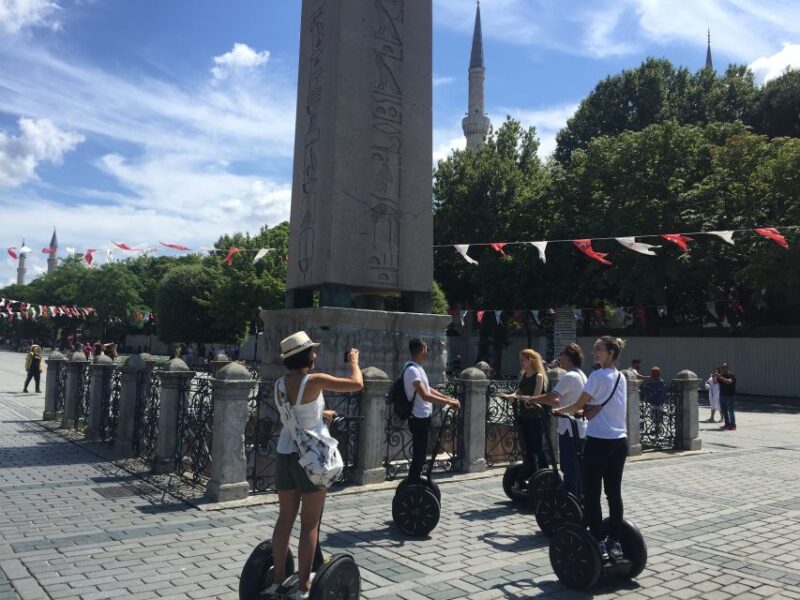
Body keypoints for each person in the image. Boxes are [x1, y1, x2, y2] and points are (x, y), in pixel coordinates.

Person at [270, 331, 364, 599]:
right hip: (310, 459)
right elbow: (356, 384)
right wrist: (354, 361)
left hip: (285, 453)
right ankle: (303, 586)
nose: (316, 354)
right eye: (312, 350)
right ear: (305, 355)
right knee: (310, 523)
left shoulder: (279, 384)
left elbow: (293, 416)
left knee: (284, 519)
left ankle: (277, 580)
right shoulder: (314, 380)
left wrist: (321, 414)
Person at [555, 336, 628, 562]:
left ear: (611, 354)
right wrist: (588, 408)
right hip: (619, 441)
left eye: (599, 350)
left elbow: (578, 404)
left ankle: (597, 539)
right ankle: (614, 540)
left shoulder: (597, 375)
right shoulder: (621, 377)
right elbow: (598, 404)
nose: (595, 353)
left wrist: (559, 410)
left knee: (593, 492)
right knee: (613, 493)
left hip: (598, 441)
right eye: (595, 349)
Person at [528, 343, 588, 497]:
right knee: (578, 466)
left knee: (569, 467)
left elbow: (552, 396)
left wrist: (532, 399)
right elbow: (558, 401)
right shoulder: (582, 375)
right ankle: (579, 497)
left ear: (568, 357)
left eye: (562, 354)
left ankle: (570, 500)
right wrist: (540, 401)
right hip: (580, 428)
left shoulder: (570, 376)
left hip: (570, 428)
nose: (559, 358)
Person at [404, 338, 460, 483]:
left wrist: (448, 398)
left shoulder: (418, 368)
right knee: (419, 454)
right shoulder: (411, 370)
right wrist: (448, 402)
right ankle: (412, 483)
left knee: (422, 454)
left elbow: (429, 390)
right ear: (421, 349)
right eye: (426, 349)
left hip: (423, 416)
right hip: (417, 417)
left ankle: (414, 481)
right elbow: (425, 395)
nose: (427, 352)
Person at [498, 349, 551, 472]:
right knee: (526, 447)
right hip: (523, 415)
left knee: (537, 447)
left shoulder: (538, 376)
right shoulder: (523, 374)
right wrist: (509, 395)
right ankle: (531, 470)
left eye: (523, 360)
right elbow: (518, 392)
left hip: (535, 416)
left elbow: (535, 397)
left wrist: (519, 397)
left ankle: (545, 472)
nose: (521, 363)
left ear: (531, 360)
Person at [717, 362, 737, 431]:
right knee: (724, 411)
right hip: (722, 395)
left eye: (724, 367)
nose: (722, 369)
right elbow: (715, 383)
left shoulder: (731, 375)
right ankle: (727, 424)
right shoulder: (720, 376)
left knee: (730, 411)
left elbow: (729, 382)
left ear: (728, 368)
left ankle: (733, 425)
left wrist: (721, 378)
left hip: (730, 396)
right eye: (721, 368)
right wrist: (715, 376)